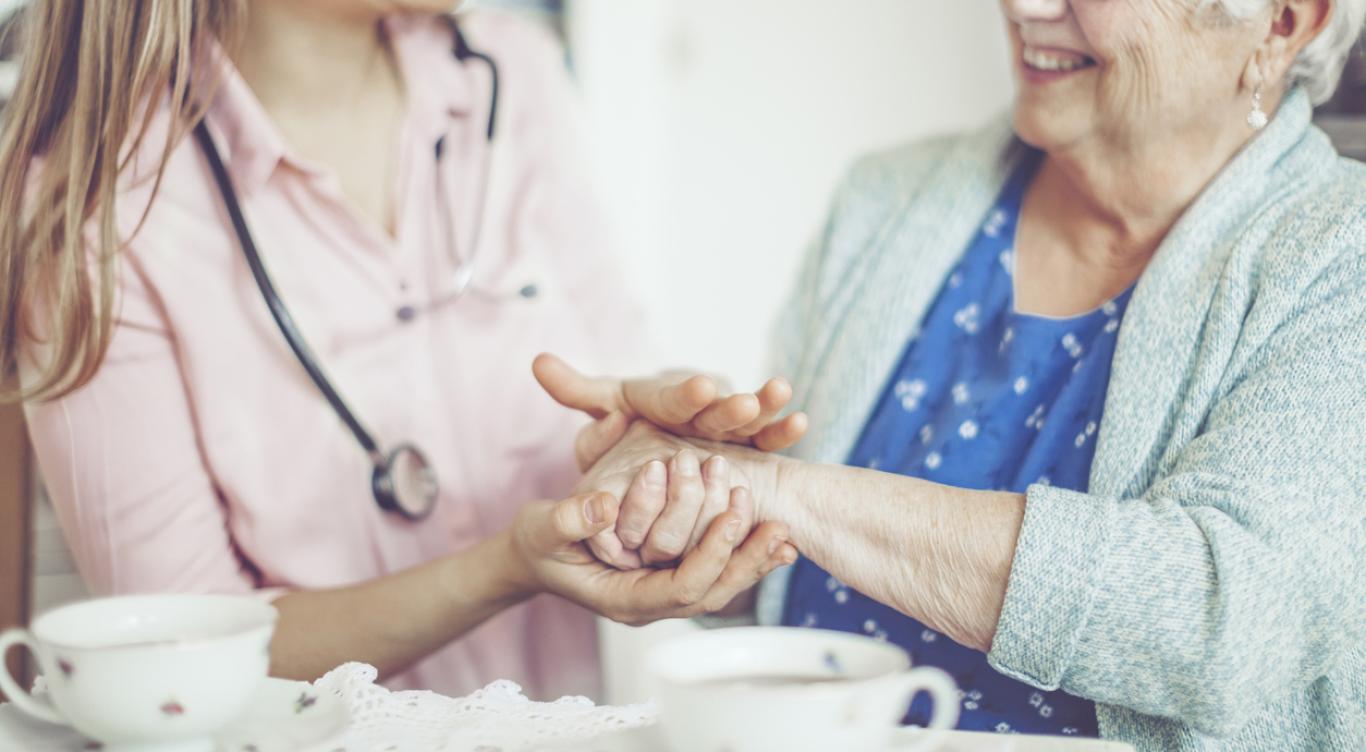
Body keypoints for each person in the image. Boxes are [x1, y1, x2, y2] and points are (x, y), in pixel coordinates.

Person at [545, 0, 1366, 748]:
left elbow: (1226, 624)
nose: (1025, 7)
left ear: (1282, 22)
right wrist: (691, 502)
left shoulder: (1340, 251)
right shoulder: (888, 200)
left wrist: (780, 490)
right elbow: (787, 580)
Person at [0, 0, 804, 699]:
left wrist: (668, 439)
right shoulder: (93, 209)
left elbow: (618, 365)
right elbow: (173, 645)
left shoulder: (511, 72)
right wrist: (502, 567)